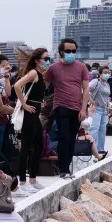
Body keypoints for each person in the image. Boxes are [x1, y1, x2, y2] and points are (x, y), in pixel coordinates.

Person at [45, 38, 90, 179]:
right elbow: (45, 85)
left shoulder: (82, 67)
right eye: (68, 51)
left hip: (77, 108)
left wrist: (84, 109)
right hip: (61, 106)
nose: (71, 53)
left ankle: (67, 166)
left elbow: (86, 88)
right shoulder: (54, 68)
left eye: (74, 51)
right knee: (63, 137)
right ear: (61, 52)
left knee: (71, 138)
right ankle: (63, 168)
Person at [14, 48, 50, 191]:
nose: (47, 61)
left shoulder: (40, 74)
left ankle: (33, 179)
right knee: (27, 147)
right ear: (37, 60)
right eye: (45, 59)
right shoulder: (34, 72)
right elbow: (17, 85)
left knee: (38, 146)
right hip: (29, 114)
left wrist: (39, 102)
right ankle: (23, 182)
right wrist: (24, 104)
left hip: (35, 113)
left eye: (48, 58)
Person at [88, 66, 111, 153]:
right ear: (100, 74)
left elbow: (107, 97)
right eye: (105, 72)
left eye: (108, 72)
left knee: (102, 130)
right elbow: (86, 90)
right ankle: (92, 149)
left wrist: (108, 106)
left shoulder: (107, 84)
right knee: (94, 129)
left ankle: (100, 149)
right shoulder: (96, 82)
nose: (107, 74)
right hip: (96, 109)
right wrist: (91, 101)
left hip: (104, 109)